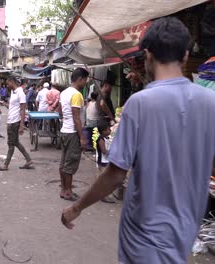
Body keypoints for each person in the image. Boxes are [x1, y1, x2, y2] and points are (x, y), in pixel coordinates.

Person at [61, 17, 215, 264]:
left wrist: (76, 208)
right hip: (183, 235)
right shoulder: (210, 103)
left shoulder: (140, 103)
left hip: (144, 238)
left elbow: (115, 174)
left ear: (148, 54)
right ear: (186, 56)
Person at [59, 68, 89, 201]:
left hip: (65, 130)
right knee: (70, 163)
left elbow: (60, 112)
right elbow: (76, 117)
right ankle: (68, 191)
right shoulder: (76, 95)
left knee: (64, 163)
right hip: (72, 133)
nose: (86, 83)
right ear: (80, 79)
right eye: (86, 80)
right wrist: (82, 137)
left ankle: (63, 189)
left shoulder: (64, 92)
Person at [0, 77, 34, 171]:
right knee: (15, 142)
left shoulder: (20, 93)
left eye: (8, 83)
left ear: (12, 82)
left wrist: (22, 125)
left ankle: (5, 165)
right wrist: (4, 104)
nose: (7, 86)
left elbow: (23, 110)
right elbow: (12, 107)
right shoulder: (13, 92)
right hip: (11, 121)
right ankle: (28, 160)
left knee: (11, 144)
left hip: (15, 122)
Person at [95, 125, 115, 203]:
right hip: (102, 161)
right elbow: (104, 151)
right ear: (103, 131)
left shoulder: (106, 138)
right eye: (108, 129)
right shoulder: (101, 140)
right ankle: (103, 196)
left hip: (106, 161)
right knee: (104, 179)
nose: (110, 130)